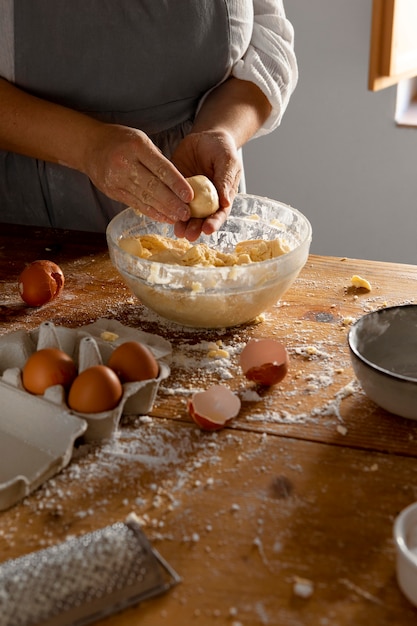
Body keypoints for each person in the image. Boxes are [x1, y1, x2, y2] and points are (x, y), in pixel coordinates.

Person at [0, 1, 298, 241]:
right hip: (32, 206)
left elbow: (269, 40)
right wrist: (87, 146)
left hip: (197, 193)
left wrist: (219, 130)